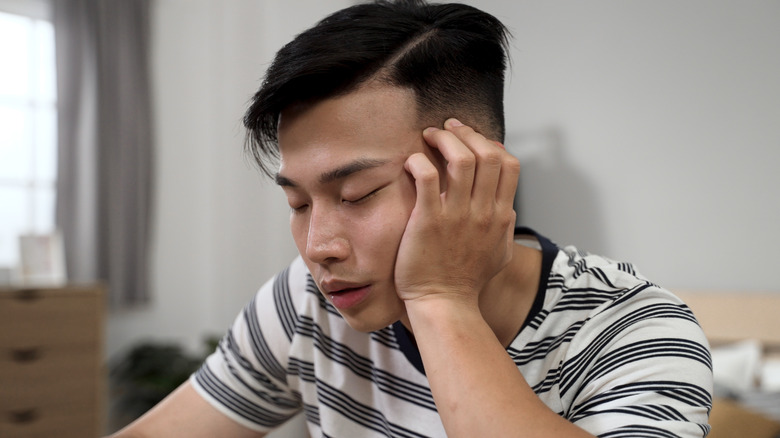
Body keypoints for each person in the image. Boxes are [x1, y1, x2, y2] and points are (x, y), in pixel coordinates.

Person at [111, 1, 712, 437]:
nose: (317, 246)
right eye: (298, 204)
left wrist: (441, 298)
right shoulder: (307, 302)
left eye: (356, 194)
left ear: (473, 172)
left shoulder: (637, 329)